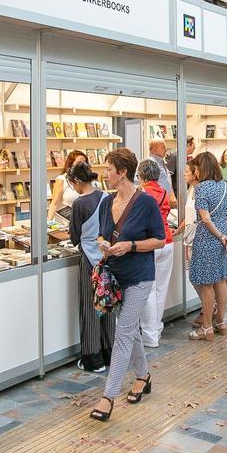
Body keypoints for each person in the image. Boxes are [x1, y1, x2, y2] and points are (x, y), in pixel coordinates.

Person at [89, 148, 166, 422]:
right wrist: (103, 243)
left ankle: (107, 397)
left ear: (122, 173)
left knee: (122, 332)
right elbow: (100, 234)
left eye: (108, 169)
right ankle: (143, 376)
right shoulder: (107, 201)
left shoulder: (146, 203)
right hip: (115, 276)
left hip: (140, 277)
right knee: (129, 329)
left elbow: (159, 239)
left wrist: (131, 245)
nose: (105, 173)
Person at [67, 161, 114, 373]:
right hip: (105, 256)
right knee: (107, 304)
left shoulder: (79, 204)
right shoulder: (106, 196)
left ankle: (92, 358)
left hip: (87, 257)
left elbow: (74, 236)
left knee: (89, 306)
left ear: (77, 181)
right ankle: (109, 351)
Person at [189, 151, 227, 341]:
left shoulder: (202, 189)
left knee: (206, 284)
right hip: (222, 243)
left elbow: (206, 219)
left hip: (206, 240)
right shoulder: (226, 187)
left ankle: (206, 327)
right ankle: (221, 322)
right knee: (221, 281)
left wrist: (219, 235)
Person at [137, 159, 175, 349]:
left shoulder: (142, 193)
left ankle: (150, 335)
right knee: (161, 288)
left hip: (151, 243)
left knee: (149, 290)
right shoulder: (164, 192)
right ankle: (157, 328)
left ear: (141, 175)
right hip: (167, 241)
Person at [48, 150, 89, 223]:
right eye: (79, 162)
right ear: (71, 164)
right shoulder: (62, 180)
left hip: (83, 224)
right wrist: (48, 223)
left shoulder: (87, 181)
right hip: (65, 224)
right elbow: (54, 204)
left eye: (85, 162)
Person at [145, 139, 177, 206]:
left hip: (165, 201)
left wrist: (171, 195)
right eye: (163, 147)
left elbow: (166, 180)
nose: (166, 149)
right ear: (154, 149)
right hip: (157, 201)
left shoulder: (161, 161)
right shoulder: (150, 163)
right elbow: (148, 184)